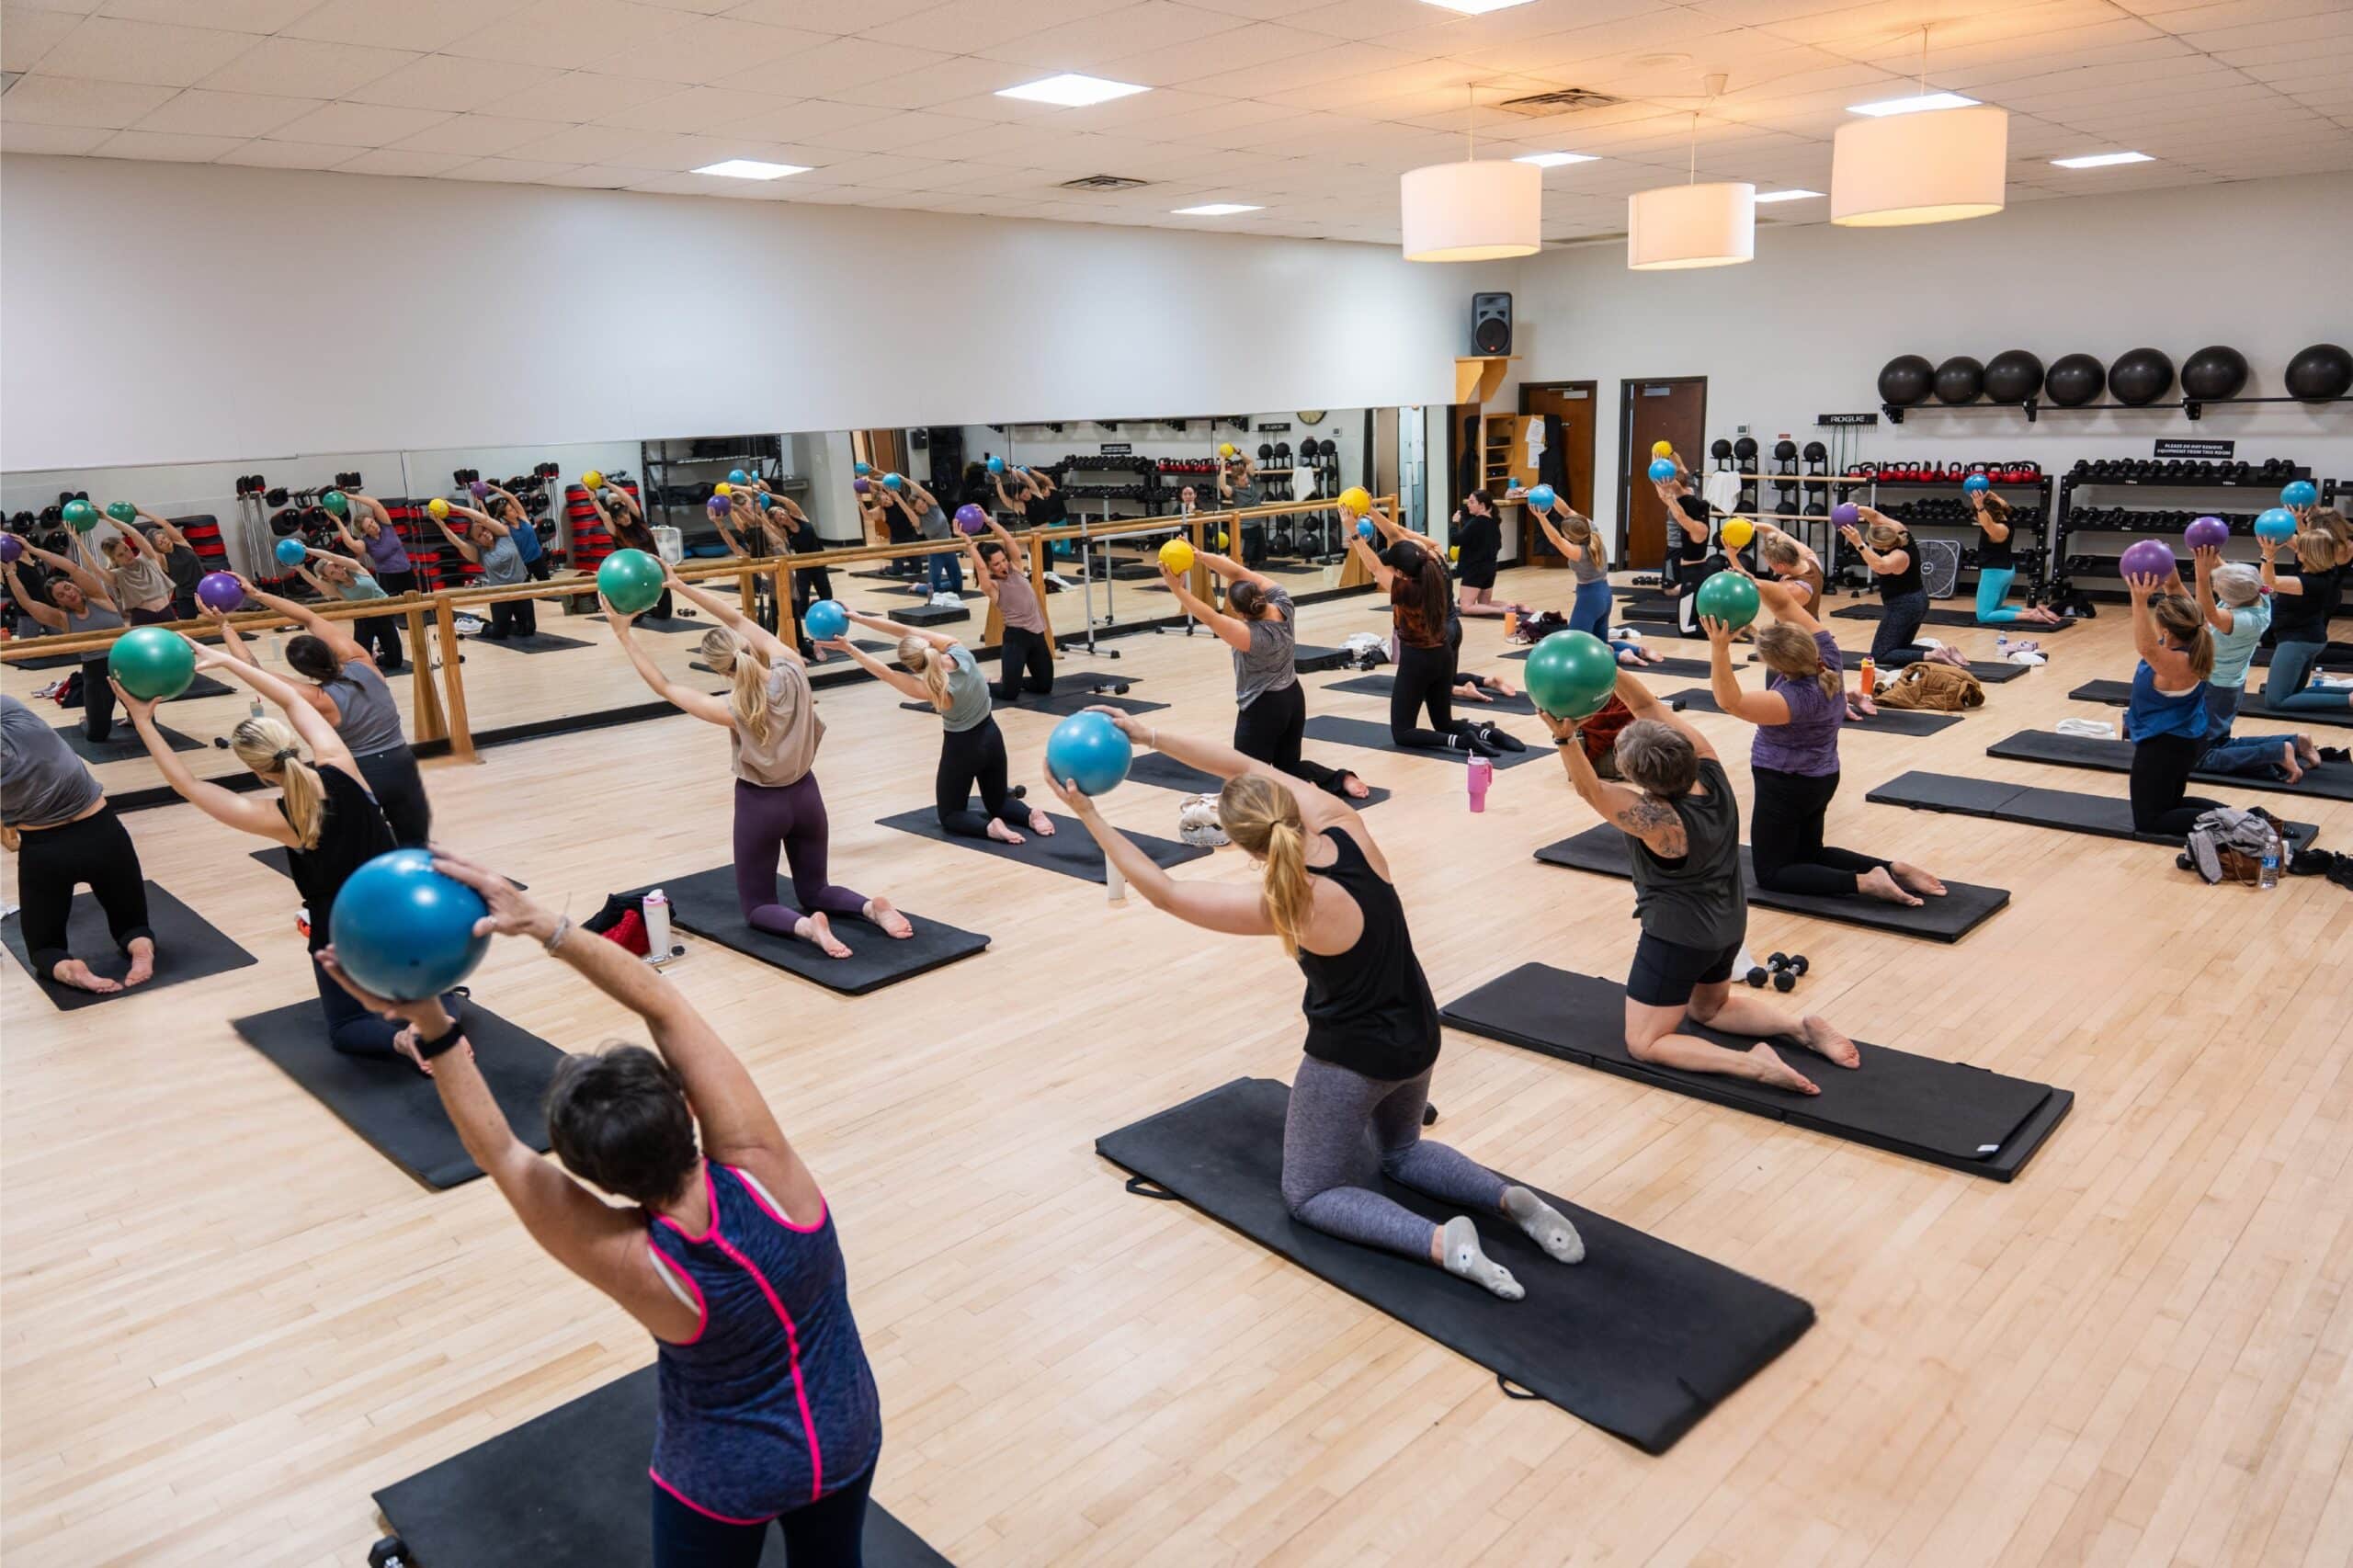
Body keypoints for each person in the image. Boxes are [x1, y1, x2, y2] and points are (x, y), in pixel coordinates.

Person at [315, 852, 881, 1564]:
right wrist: (540, 923)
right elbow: (662, 1003)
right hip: (847, 1429)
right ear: (685, 1106)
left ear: (595, 1182)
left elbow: (501, 1153)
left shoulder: (640, 1265)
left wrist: (429, 1016)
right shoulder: (769, 1170)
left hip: (726, 1477)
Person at [1046, 716, 1586, 1300]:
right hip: (1420, 1034)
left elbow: (1166, 892)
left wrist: (1089, 815)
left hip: (1354, 1061)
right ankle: (1507, 1200)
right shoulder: (1345, 824)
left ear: (1243, 846)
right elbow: (1241, 764)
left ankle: (1440, 1242)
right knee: (1401, 1151)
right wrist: (1149, 736)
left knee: (1310, 1195)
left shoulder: (1289, 902)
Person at [1546, 668, 1859, 1094]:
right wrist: (1608, 668)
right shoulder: (1711, 772)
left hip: (1678, 939)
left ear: (1638, 777)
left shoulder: (1659, 821)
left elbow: (1591, 790)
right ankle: (1799, 1028)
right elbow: (1646, 706)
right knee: (1710, 1010)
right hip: (1730, 926)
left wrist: (1565, 739)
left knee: (1645, 1042)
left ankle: (1754, 1065)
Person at [117, 638, 426, 1062]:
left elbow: (187, 785)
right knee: (420, 982)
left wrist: (142, 720)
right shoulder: (342, 763)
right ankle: (435, 1009)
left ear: (258, 771)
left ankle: (401, 1040)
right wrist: (226, 660)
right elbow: (290, 699)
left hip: (345, 931)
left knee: (347, 1028)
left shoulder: (279, 818)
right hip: (402, 910)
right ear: (291, 743)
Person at [608, 564, 910, 960]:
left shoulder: (734, 709)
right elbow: (736, 620)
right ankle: (870, 908)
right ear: (747, 649)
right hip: (807, 798)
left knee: (758, 906)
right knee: (815, 889)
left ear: (719, 669)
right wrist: (681, 585)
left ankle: (809, 928)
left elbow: (664, 686)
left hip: (761, 806)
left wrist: (623, 634)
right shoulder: (793, 667)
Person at [1700, 571, 1946, 905]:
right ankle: (1892, 869)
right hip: (1821, 778)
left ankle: (1866, 882)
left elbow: (1730, 701)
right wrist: (1753, 583)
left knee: (1772, 874)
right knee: (1810, 854)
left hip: (1785, 784)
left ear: (1779, 667)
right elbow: (1784, 603)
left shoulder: (1794, 699)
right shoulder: (1828, 656)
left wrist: (1719, 648)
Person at [210, 574, 431, 846]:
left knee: (365, 844)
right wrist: (257, 594)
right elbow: (309, 618)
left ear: (304, 672)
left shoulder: (318, 699)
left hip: (360, 773)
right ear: (328, 651)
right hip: (402, 763)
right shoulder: (365, 663)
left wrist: (224, 626)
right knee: (415, 842)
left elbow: (251, 669)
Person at [1154, 550, 1372, 801]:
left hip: (1263, 708)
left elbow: (1211, 618)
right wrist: (1199, 555)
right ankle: (1340, 779)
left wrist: (1177, 588)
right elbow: (1238, 572)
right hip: (1293, 699)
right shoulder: (1283, 603)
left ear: (1241, 614)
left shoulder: (1249, 635)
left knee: (1243, 778)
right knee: (1288, 766)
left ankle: (1303, 791)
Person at [825, 608, 1054, 843]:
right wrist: (861, 619)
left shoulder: (934, 689)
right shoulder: (960, 651)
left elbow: (886, 674)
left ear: (914, 668)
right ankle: (1030, 815)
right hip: (993, 736)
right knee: (998, 802)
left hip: (962, 748)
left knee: (950, 815)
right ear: (927, 645)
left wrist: (849, 648)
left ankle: (991, 828)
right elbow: (905, 631)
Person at [1, 693, 154, 994]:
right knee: (133, 925)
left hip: (44, 851)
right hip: (104, 832)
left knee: (45, 951)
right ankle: (141, 948)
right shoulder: (12, 713)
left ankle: (70, 969)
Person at [1346, 515, 1511, 757]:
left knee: (1403, 732)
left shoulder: (1407, 591)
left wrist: (1354, 532)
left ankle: (1461, 742)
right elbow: (1398, 541)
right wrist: (1369, 519)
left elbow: (1375, 567)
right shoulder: (1434, 566)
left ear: (1400, 571)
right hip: (1443, 655)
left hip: (1418, 660)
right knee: (1444, 722)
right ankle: (1488, 734)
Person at [2188, 549, 2319, 781]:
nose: (2215, 589)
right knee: (2218, 742)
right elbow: (2235, 577)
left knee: (2200, 757)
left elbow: (2207, 611)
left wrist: (2201, 576)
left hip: (2216, 688)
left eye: (2218, 588)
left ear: (2230, 596)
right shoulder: (2259, 596)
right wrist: (2210, 553)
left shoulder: (2241, 620)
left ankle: (2277, 752)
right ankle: (2295, 742)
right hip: (2228, 686)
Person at [2122, 570, 2224, 837]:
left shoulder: (2177, 663)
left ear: (2165, 630)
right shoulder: (2199, 636)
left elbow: (2146, 648)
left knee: (2151, 821)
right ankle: (2243, 817)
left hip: (2163, 745)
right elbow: (2182, 601)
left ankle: (2238, 822)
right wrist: (2170, 577)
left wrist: (2139, 600)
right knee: (2170, 805)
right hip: (2181, 741)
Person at [4, 542, 124, 741]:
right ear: (58, 602)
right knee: (97, 735)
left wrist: (32, 550)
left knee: (144, 721)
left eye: (68, 587)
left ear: (75, 585)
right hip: (95, 670)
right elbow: (27, 603)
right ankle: (86, 721)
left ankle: (132, 716)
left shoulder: (98, 597)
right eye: (61, 595)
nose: (69, 594)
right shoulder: (62, 618)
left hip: (126, 661)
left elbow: (73, 568)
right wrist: (10, 572)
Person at [1838, 507, 1931, 710]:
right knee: (1900, 647)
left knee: (1880, 654)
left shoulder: (1897, 556)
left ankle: (1933, 655)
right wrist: (1855, 508)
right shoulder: (1900, 531)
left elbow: (1879, 565)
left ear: (1885, 545)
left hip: (1904, 606)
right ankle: (1940, 652)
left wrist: (1858, 543)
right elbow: (1875, 516)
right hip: (1917, 600)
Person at [2259, 528, 2351, 715]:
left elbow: (2269, 583)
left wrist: (2267, 555)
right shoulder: (2323, 569)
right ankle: (2348, 695)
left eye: (2301, 549)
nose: (2297, 550)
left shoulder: (2309, 583)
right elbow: (2297, 542)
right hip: (2308, 639)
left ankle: (2348, 700)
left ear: (2308, 554)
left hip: (2297, 642)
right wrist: (2281, 532)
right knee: (2295, 694)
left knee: (2276, 701)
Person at [964, 515, 1053, 702]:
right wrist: (968, 541)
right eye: (996, 564)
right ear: (990, 568)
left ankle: (1014, 681)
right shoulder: (992, 586)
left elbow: (1009, 540)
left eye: (1003, 560)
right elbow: (980, 567)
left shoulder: (1016, 568)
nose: (1003, 565)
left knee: (1044, 686)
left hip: (1037, 635)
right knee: (1009, 694)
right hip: (1016, 640)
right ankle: (983, 684)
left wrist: (989, 521)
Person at [431, 498, 531, 642]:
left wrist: (455, 507)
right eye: (479, 535)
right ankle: (485, 626)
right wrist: (441, 524)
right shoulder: (480, 554)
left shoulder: (503, 534)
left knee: (528, 629)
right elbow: (458, 543)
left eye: (484, 529)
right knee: (499, 634)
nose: (484, 533)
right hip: (500, 594)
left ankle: (507, 624)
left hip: (521, 587)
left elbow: (484, 518)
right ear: (476, 542)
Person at [1968, 491, 2063, 626]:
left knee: (1984, 615)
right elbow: (2003, 504)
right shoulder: (2005, 517)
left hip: (1994, 573)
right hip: (2006, 570)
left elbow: (1987, 523)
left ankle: (2030, 616)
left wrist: (1980, 507)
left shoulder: (1998, 530)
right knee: (1995, 609)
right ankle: (2035, 611)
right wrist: (1987, 493)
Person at [584, 483, 673, 622]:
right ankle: (636, 609)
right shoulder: (617, 532)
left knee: (665, 614)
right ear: (616, 521)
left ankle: (652, 610)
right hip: (634, 575)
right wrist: (592, 497)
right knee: (636, 619)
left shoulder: (638, 520)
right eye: (620, 517)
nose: (625, 517)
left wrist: (607, 483)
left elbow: (627, 498)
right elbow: (604, 516)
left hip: (654, 568)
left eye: (625, 513)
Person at [1529, 492, 1610, 638]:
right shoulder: (1592, 530)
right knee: (1601, 644)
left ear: (1569, 537)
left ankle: (1630, 651)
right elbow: (1567, 511)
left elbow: (1556, 540)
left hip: (1589, 598)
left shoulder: (1579, 552)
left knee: (1575, 642)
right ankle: (1637, 649)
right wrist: (1552, 495)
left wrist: (1541, 517)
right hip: (1605, 594)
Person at [881, 475, 961, 603]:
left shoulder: (934, 506)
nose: (923, 506)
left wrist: (905, 480)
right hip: (936, 554)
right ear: (916, 510)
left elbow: (923, 492)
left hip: (950, 550)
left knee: (957, 587)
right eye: (919, 507)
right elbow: (907, 510)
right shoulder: (918, 521)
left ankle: (933, 585)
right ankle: (919, 587)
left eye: (923, 503)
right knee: (934, 590)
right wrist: (896, 496)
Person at [86, 517, 176, 625]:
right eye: (121, 555)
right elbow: (95, 568)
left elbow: (134, 534)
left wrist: (108, 518)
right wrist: (77, 540)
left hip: (166, 612)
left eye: (126, 549)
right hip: (143, 617)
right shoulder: (117, 574)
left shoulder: (146, 557)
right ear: (114, 559)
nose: (127, 555)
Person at [1449, 489, 1521, 619]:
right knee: (1485, 604)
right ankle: (1516, 606)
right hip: (1490, 568)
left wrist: (1454, 523)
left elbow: (1455, 540)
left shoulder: (1476, 522)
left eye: (1472, 502)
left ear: (1482, 506)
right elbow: (1498, 546)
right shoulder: (1494, 522)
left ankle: (1502, 610)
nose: (1468, 505)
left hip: (1475, 569)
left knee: (1466, 607)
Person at [136, 509, 205, 621]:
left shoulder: (181, 542)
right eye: (160, 543)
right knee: (187, 627)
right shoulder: (161, 558)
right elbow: (145, 548)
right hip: (186, 598)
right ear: (157, 548)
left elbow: (165, 524)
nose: (165, 541)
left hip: (205, 590)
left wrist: (143, 513)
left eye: (164, 538)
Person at [1753, 520, 1825, 610]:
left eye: (1769, 564)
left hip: (1796, 620)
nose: (1769, 566)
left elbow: (1751, 587)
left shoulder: (1792, 588)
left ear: (1781, 566)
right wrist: (1752, 524)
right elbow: (1773, 530)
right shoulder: (1812, 559)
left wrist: (1735, 555)